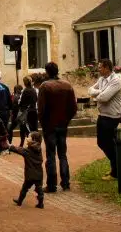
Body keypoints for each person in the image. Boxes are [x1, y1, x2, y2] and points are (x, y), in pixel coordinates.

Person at [37, 62, 77, 192]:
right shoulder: (67, 85)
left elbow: (41, 109)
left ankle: (51, 184)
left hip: (50, 126)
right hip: (62, 124)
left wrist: (43, 123)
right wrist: (66, 120)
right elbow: (73, 108)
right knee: (62, 154)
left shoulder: (45, 86)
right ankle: (65, 182)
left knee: (50, 155)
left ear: (47, 72)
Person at [88, 58, 121, 182]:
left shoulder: (116, 80)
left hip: (112, 117)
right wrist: (101, 92)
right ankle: (116, 167)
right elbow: (90, 90)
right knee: (101, 143)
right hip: (102, 115)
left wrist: (97, 95)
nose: (98, 69)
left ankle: (116, 171)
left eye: (100, 67)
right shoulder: (102, 79)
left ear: (107, 68)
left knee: (109, 143)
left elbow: (105, 98)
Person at [10, 131, 44, 209]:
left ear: (33, 140)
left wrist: (10, 146)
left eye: (29, 137)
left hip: (30, 175)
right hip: (39, 174)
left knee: (25, 188)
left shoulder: (28, 150)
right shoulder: (39, 149)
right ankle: (41, 203)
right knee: (39, 189)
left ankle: (19, 201)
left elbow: (18, 150)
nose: (27, 138)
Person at [18, 76, 38, 147]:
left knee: (25, 129)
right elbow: (36, 99)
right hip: (34, 111)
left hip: (27, 112)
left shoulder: (25, 90)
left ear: (24, 83)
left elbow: (21, 102)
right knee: (34, 129)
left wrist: (19, 104)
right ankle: (36, 144)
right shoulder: (34, 90)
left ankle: (23, 144)